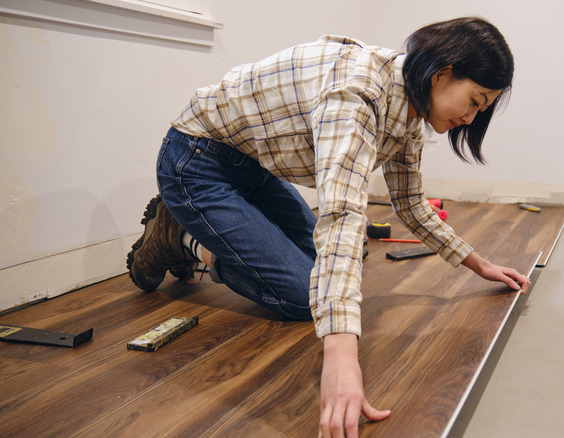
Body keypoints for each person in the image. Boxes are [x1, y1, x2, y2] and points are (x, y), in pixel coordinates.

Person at [126, 16, 530, 437]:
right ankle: (182, 238)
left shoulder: (409, 104)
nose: (470, 118)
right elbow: (341, 216)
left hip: (256, 169)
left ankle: (204, 229)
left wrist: (479, 265)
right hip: (197, 162)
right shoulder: (357, 95)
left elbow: (410, 204)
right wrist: (341, 358)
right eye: (475, 100)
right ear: (443, 73)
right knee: (306, 296)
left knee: (332, 272)